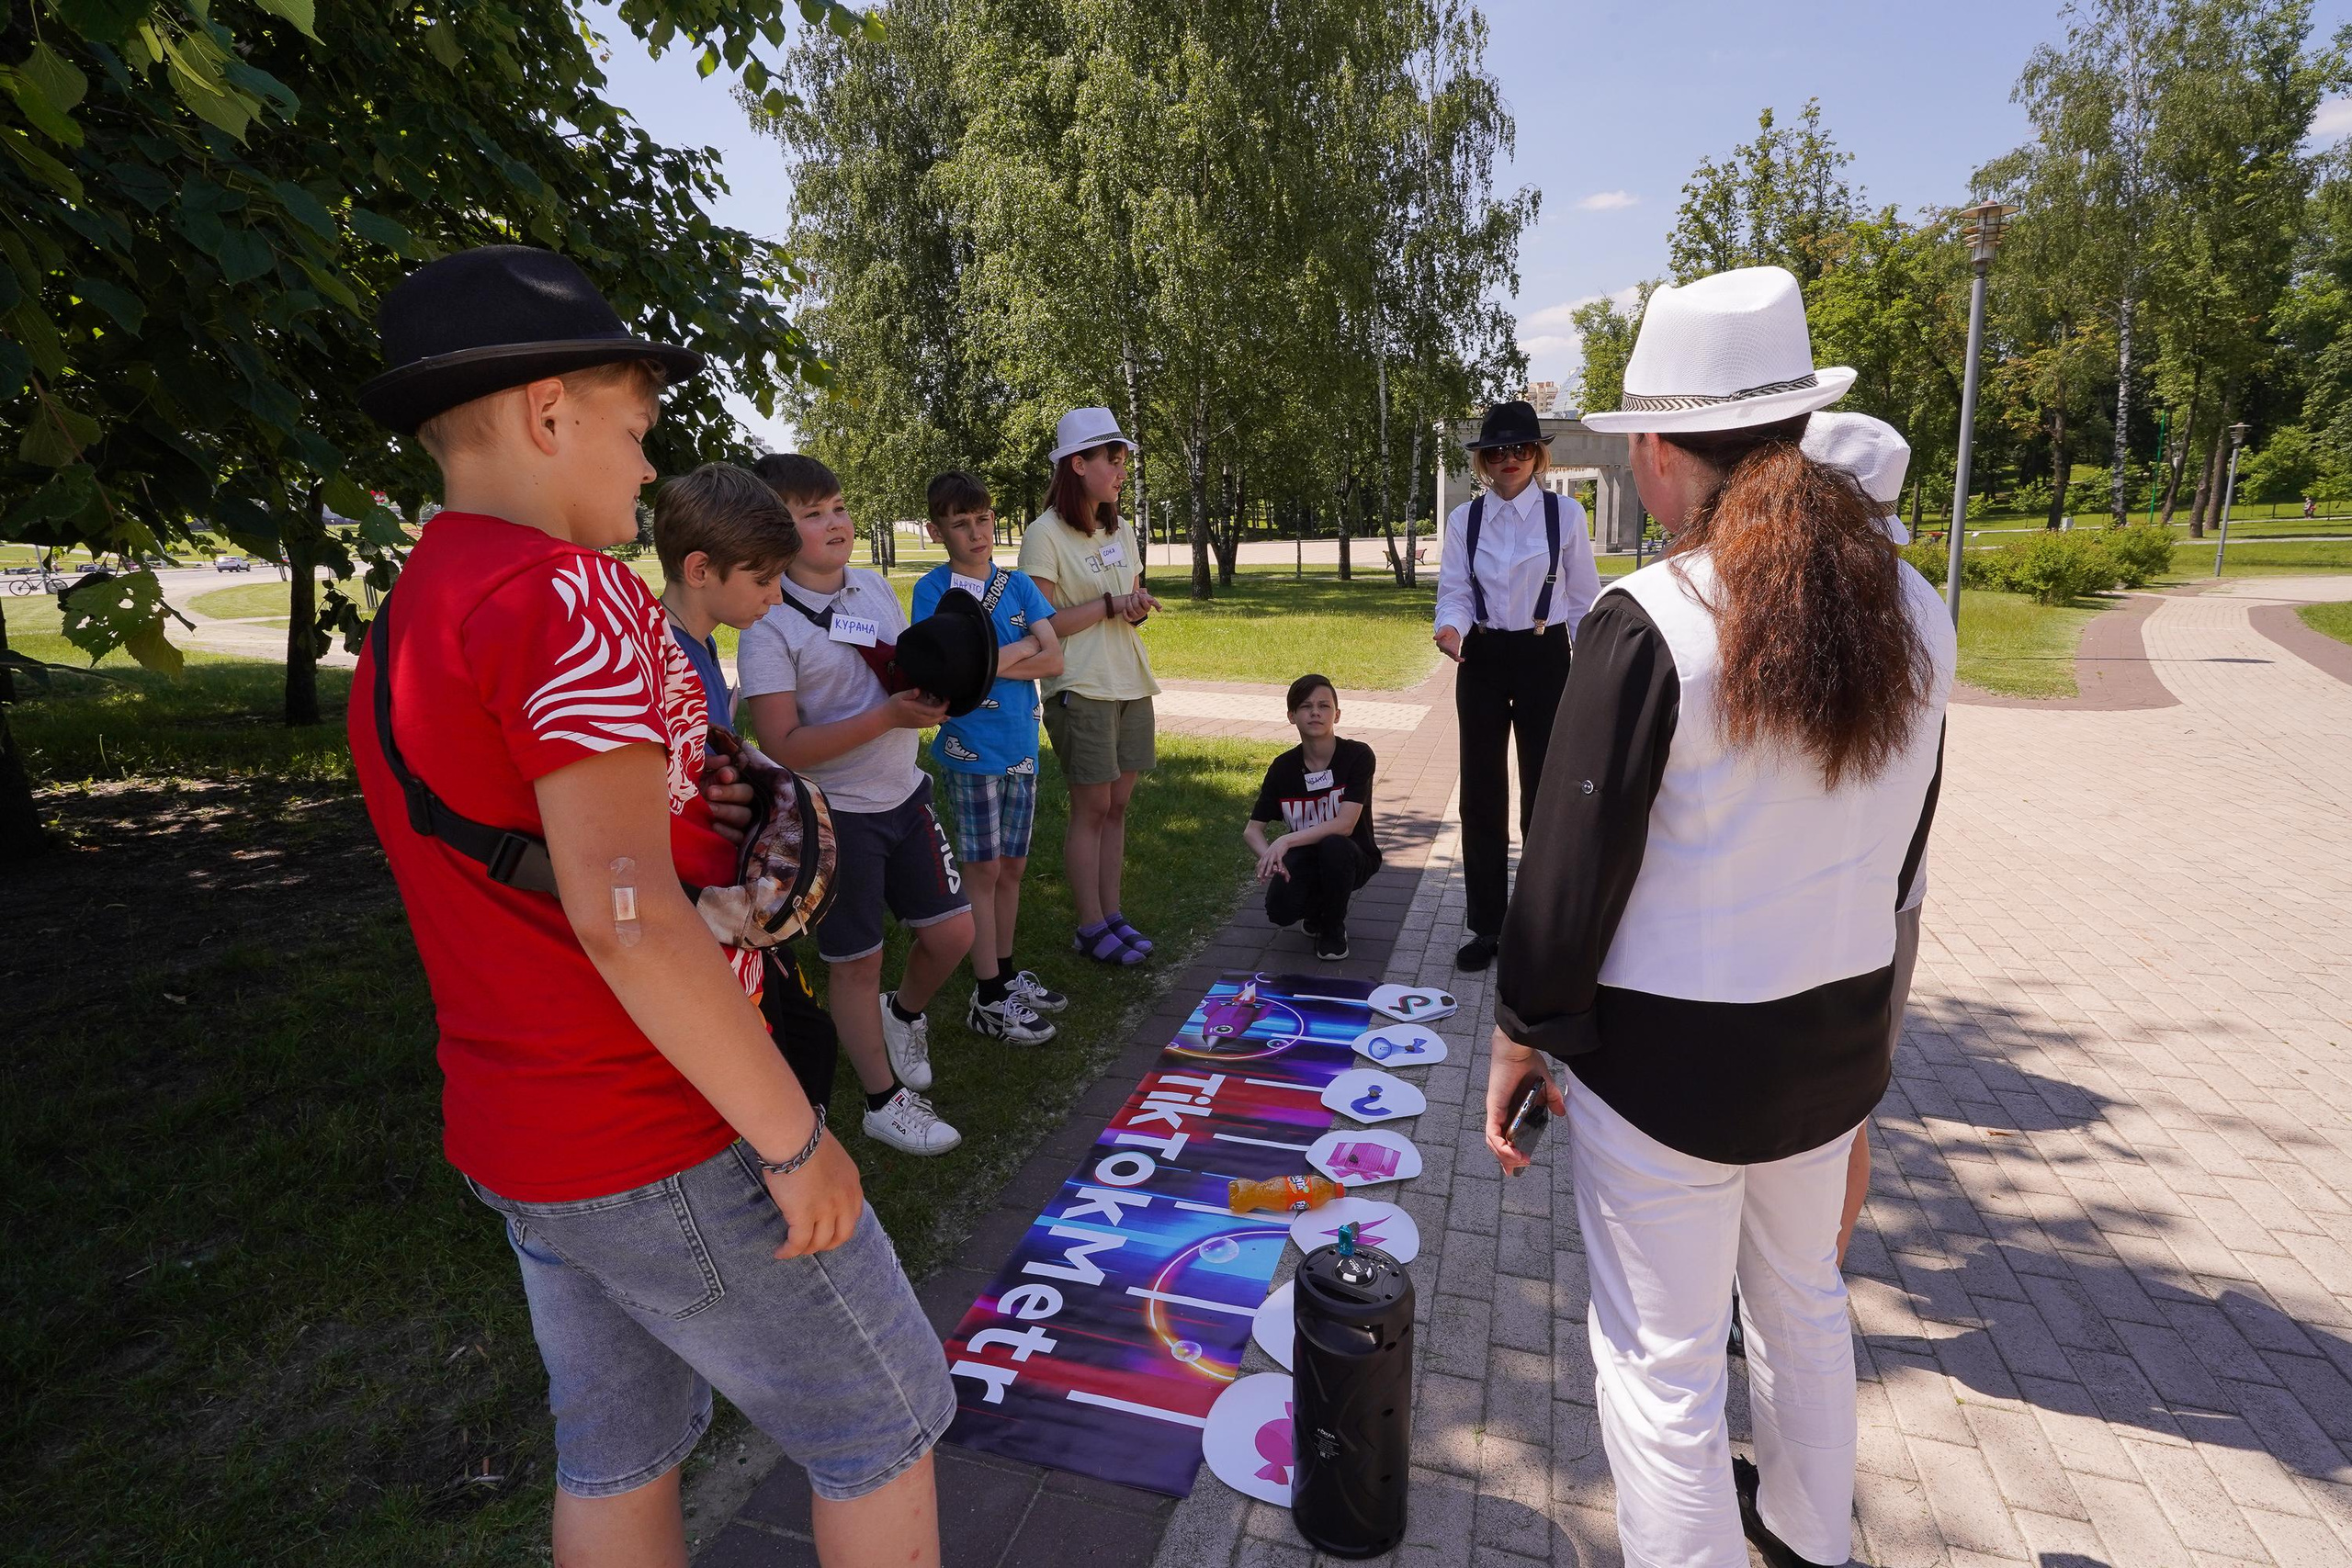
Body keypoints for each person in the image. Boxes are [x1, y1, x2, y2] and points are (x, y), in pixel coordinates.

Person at [346, 246, 951, 1568]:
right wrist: (796, 1140)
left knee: (618, 1450)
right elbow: (624, 915)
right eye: (633, 431)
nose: (644, 468)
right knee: (891, 1417)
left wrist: (700, 808)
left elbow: (549, 847)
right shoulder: (568, 592)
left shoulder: (414, 610)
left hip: (520, 1126)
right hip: (656, 1119)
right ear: (548, 412)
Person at [1484, 265, 1954, 1568]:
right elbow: (1906, 854)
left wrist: (1522, 1033)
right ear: (1798, 425)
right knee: (1804, 1303)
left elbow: (1567, 874)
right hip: (1835, 1046)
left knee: (1663, 1361)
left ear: (1655, 447)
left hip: (1672, 1065)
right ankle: (1811, 1541)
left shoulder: (1651, 620)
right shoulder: (1918, 606)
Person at [739, 454, 983, 1156]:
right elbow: (781, 744)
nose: (834, 523)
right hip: (835, 816)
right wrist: (888, 720)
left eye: (839, 506)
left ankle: (901, 1014)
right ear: (772, 531)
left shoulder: (874, 586)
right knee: (856, 962)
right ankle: (882, 1101)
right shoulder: (769, 625)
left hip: (905, 794)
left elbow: (901, 673)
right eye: (810, 514)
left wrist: (931, 693)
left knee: (953, 935)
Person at [652, 462, 845, 1113]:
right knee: (791, 1055)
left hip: (729, 900)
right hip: (701, 910)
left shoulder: (699, 645)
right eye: (763, 579)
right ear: (701, 568)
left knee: (810, 1043)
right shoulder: (664, 661)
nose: (775, 595)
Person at [1800, 412, 1937, 1265]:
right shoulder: (1921, 603)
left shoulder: (1839, 604)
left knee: (1825, 1115)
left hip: (1844, 901)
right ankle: (1814, 1271)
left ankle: (1808, 1272)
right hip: (1884, 897)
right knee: (1840, 1109)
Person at [1432, 399, 1602, 972]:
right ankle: (1487, 925)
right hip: (1480, 656)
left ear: (1539, 455)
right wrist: (1450, 627)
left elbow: (1582, 603)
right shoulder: (1465, 520)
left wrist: (1588, 671)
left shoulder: (1566, 516)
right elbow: (1453, 590)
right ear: (1482, 459)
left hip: (1545, 654)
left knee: (1544, 791)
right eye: (1498, 450)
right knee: (1481, 793)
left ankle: (1537, 924)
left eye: (1522, 448)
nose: (1510, 459)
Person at [912, 469, 1071, 1043]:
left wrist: (987, 660)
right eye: (960, 523)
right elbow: (944, 670)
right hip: (969, 748)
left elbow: (1054, 660)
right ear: (938, 531)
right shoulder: (934, 591)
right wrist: (1024, 644)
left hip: (1020, 745)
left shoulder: (1021, 585)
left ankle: (1003, 972)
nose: (976, 533)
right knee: (981, 870)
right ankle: (987, 995)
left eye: (982, 519)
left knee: (1012, 868)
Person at [1017, 406, 1165, 965]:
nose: (1121, 469)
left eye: (1122, 458)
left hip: (1128, 678)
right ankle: (1089, 926)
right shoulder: (1043, 534)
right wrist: (1108, 605)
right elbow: (1044, 623)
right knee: (1092, 807)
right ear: (1078, 464)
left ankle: (1112, 915)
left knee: (1118, 805)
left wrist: (1134, 607)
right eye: (1113, 458)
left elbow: (1126, 596)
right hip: (1079, 685)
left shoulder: (1120, 528)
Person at [1244, 673, 1382, 962]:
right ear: (1292, 716)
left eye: (1324, 706)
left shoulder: (1358, 756)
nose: (1316, 712)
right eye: (1306, 706)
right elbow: (1252, 830)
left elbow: (1345, 826)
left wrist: (1285, 839)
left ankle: (1333, 927)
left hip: (1353, 856)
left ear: (1337, 714)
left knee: (1333, 845)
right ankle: (1317, 911)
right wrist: (1271, 858)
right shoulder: (1283, 768)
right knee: (1279, 911)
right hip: (1306, 859)